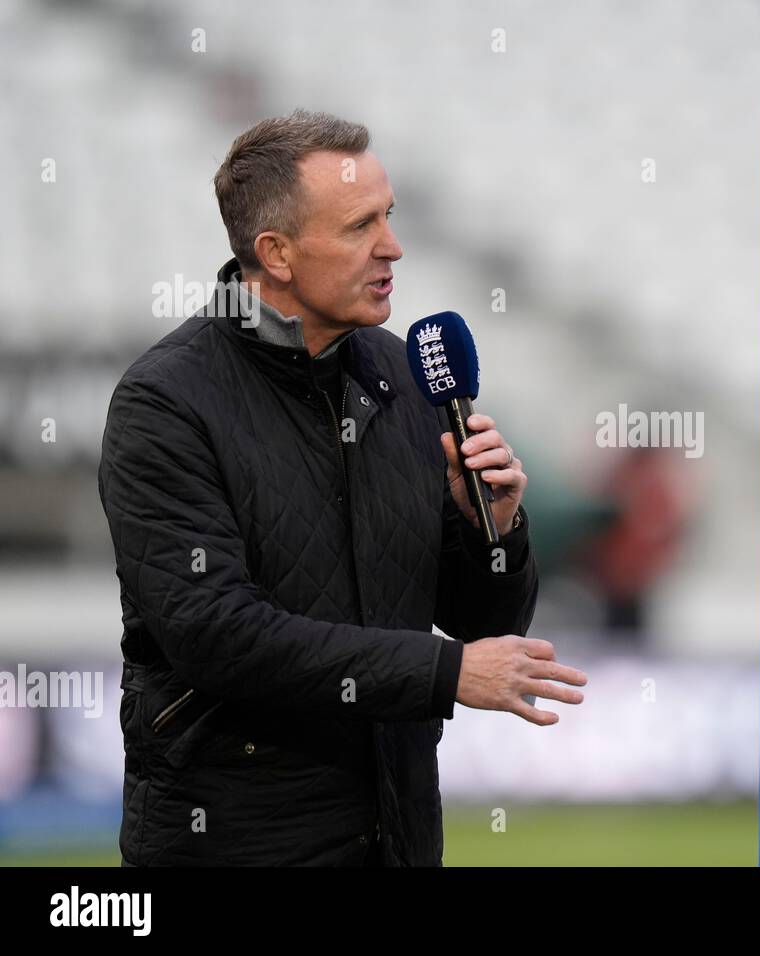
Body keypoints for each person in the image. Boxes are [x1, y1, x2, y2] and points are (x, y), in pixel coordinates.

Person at [98, 110, 587, 866]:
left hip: (398, 836)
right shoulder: (165, 402)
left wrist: (494, 531)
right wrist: (443, 673)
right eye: (361, 226)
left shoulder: (400, 373)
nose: (393, 246)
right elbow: (216, 635)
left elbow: (478, 619)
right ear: (277, 254)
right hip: (236, 843)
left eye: (388, 216)